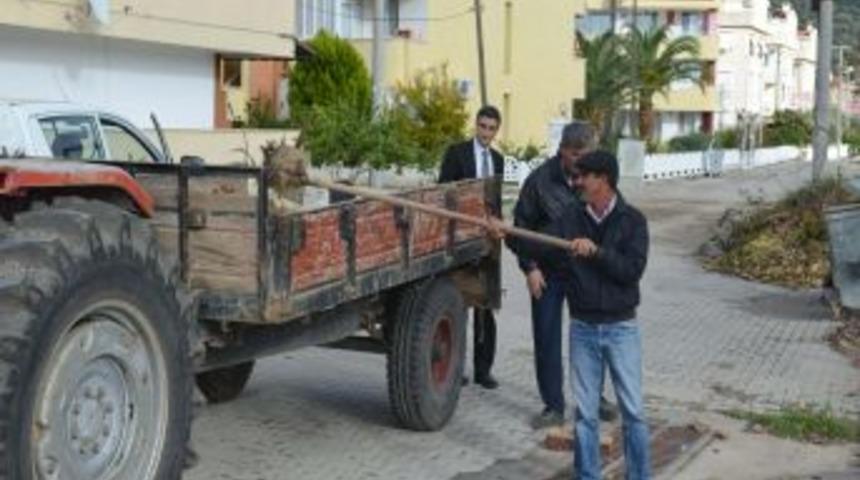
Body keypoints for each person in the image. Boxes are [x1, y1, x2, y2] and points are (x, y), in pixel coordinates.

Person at [505, 122, 617, 429]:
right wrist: (530, 268)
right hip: (548, 273)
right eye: (577, 155)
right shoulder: (539, 182)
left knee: (593, 337)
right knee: (547, 337)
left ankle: (595, 397)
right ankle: (553, 406)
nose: (583, 162)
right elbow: (517, 232)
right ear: (563, 151)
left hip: (586, 273)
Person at [554, 151, 651, 479]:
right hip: (582, 327)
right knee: (585, 415)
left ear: (604, 179)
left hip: (621, 328)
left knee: (634, 412)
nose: (577, 182)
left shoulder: (633, 221)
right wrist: (505, 234)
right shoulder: (572, 216)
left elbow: (631, 271)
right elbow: (543, 245)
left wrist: (596, 252)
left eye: (584, 176)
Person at [438, 105, 504, 389]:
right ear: (475, 125)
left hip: (489, 239)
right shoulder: (457, 153)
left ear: (496, 130)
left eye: (491, 128)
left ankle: (483, 369)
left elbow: (498, 201)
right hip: (461, 237)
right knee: (460, 303)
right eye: (482, 126)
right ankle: (457, 368)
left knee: (487, 303)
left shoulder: (499, 160)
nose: (486, 132)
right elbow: (443, 191)